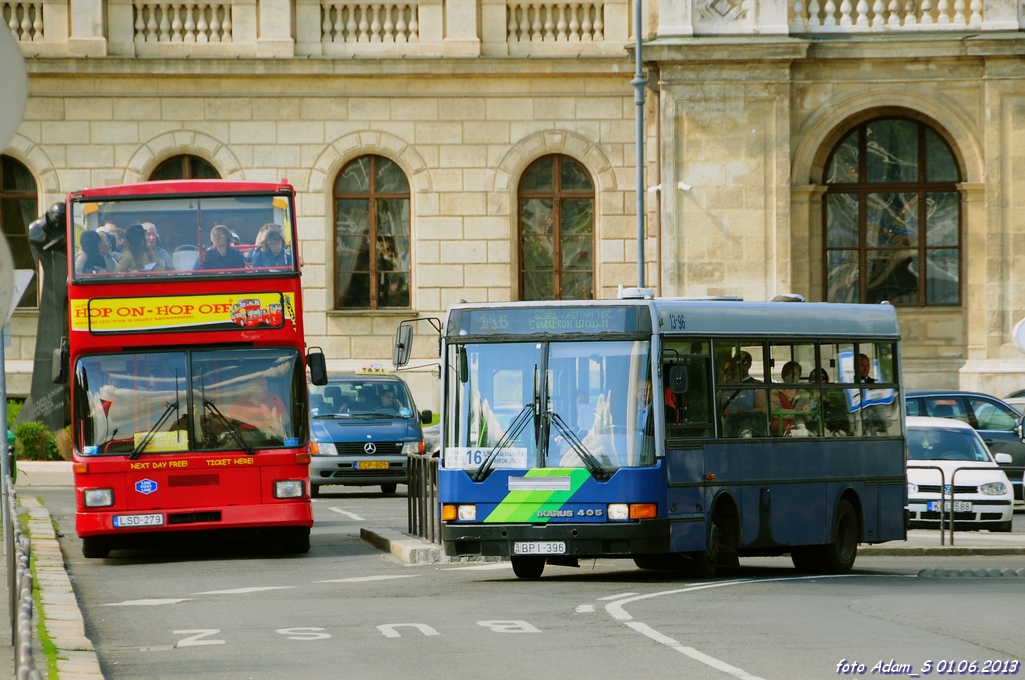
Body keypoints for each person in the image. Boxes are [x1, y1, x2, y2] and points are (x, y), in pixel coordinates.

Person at [718, 352, 767, 437]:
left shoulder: (756, 385)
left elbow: (761, 409)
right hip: (726, 431)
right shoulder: (724, 387)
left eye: (744, 363)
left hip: (748, 431)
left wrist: (737, 413)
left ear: (749, 365)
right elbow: (715, 407)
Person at [770, 361, 810, 436]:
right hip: (780, 430)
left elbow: (808, 416)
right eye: (790, 373)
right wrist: (798, 412)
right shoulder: (776, 391)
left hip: (801, 428)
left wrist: (807, 410)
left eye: (796, 373)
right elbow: (775, 411)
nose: (793, 376)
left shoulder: (804, 393)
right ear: (784, 375)